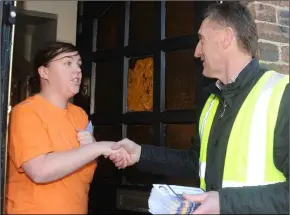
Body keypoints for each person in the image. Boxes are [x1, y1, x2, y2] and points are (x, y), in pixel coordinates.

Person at [109, 2, 289, 214]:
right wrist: (140, 154)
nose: (196, 51)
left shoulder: (282, 95)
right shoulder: (211, 101)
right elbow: (195, 161)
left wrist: (224, 203)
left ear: (226, 37)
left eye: (201, 39)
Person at [5, 41, 126, 214]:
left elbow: (82, 167)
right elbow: (40, 171)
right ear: (44, 72)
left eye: (78, 64)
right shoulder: (24, 113)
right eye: (67, 63)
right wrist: (97, 147)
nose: (77, 70)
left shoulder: (80, 115)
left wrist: (99, 151)